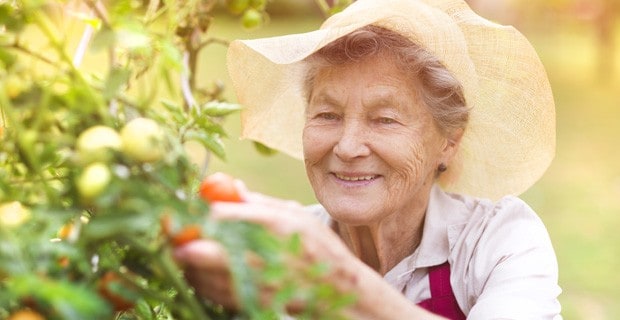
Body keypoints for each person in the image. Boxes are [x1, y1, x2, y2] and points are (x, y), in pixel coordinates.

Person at [173, 0, 562, 318]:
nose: (347, 146)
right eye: (327, 115)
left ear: (448, 142)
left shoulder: (496, 241)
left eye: (384, 119)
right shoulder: (278, 255)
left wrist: (334, 288)